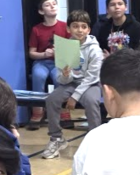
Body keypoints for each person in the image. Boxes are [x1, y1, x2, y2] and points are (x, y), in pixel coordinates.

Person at [42, 10, 103, 160]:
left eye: (83, 27)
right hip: (71, 84)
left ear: (88, 29)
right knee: (51, 99)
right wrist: (65, 75)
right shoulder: (65, 48)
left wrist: (74, 97)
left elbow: (91, 77)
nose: (79, 30)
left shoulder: (94, 49)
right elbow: (61, 80)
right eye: (75, 26)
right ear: (68, 29)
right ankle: (56, 139)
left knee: (91, 101)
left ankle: (95, 142)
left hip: (91, 84)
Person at [27, 0, 68, 129]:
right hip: (42, 62)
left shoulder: (65, 27)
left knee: (59, 77)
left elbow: (72, 50)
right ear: (41, 11)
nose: (52, 6)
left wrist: (60, 53)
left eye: (54, 3)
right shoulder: (36, 29)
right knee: (38, 76)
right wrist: (44, 54)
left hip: (59, 62)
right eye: (47, 5)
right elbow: (32, 53)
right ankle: (38, 111)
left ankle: (60, 110)